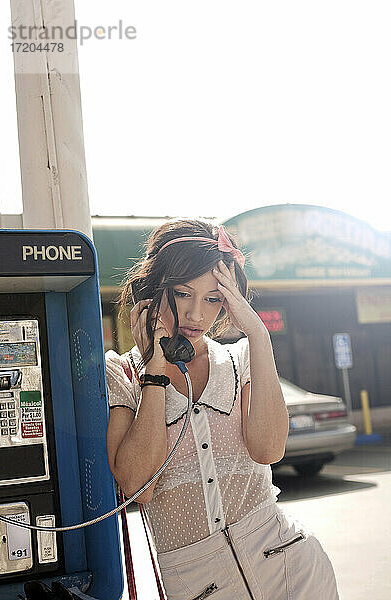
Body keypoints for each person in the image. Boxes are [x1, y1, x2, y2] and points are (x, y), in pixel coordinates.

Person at [105, 219, 339, 600]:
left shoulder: (242, 358)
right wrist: (155, 371)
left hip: (291, 570)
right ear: (153, 291)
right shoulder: (123, 373)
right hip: (197, 584)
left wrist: (259, 336)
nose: (197, 315)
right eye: (183, 294)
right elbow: (137, 488)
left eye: (213, 298)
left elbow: (268, 449)